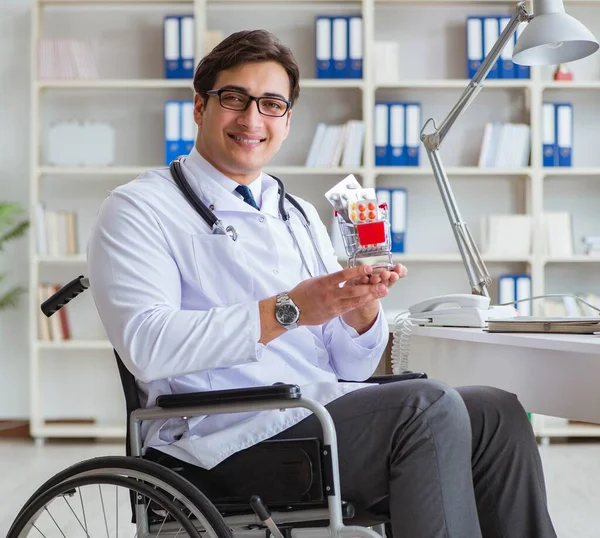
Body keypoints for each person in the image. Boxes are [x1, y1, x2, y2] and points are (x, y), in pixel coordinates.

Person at [87, 29, 556, 538]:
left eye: (271, 105)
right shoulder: (138, 208)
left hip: (315, 411)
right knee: (428, 406)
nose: (251, 119)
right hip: (220, 437)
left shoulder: (299, 214)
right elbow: (147, 346)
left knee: (498, 411)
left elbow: (345, 365)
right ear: (199, 107)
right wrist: (289, 309)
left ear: (287, 121)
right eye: (234, 99)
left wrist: (359, 315)